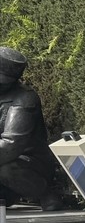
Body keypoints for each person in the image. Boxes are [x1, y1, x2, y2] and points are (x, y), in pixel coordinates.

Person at [0, 46, 65, 211]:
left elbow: (11, 144)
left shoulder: (24, 99)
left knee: (5, 168)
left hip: (28, 163)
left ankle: (46, 192)